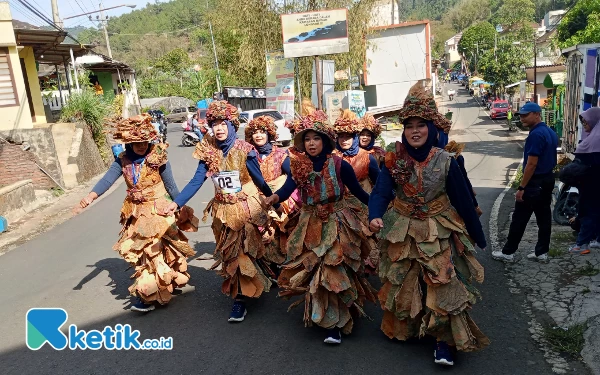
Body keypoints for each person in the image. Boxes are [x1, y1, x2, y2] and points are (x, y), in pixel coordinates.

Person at [368, 83, 489, 366]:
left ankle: (444, 341)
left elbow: (463, 201)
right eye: (409, 125)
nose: (414, 131)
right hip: (402, 230)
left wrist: (477, 236)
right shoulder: (393, 159)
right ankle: (408, 326)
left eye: (420, 124)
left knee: (442, 283)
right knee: (403, 281)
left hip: (439, 230)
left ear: (432, 127)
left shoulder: (447, 161)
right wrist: (374, 215)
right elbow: (382, 192)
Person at [263, 110, 375, 345]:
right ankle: (324, 314)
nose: (311, 143)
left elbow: (359, 192)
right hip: (310, 223)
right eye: (307, 139)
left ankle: (336, 321)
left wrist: (379, 209)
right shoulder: (299, 166)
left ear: (325, 140)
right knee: (315, 269)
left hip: (337, 221)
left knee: (334, 269)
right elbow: (288, 187)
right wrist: (275, 198)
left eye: (316, 138)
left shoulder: (340, 165)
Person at [161, 100, 274, 322]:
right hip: (222, 210)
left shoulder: (246, 150)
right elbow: (196, 180)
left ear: (232, 125)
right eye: (215, 124)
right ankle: (243, 293)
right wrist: (177, 203)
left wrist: (275, 200)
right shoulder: (208, 150)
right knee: (230, 253)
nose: (219, 128)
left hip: (244, 208)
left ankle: (242, 298)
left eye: (223, 123)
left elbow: (259, 179)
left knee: (245, 250)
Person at [79, 114, 198, 312]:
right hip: (135, 212)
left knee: (157, 249)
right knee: (145, 252)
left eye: (144, 141)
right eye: (136, 143)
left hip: (159, 209)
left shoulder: (158, 157)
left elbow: (171, 185)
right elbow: (107, 180)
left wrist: (180, 205)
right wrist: (90, 197)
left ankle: (150, 293)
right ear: (129, 144)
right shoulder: (122, 161)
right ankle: (156, 289)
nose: (141, 146)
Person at [492, 102, 558, 263]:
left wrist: (522, 187)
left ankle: (508, 253)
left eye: (525, 115)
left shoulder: (535, 135)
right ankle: (541, 252)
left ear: (537, 114)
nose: (522, 118)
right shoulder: (550, 132)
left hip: (535, 181)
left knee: (519, 218)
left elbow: (531, 164)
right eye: (520, 115)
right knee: (544, 218)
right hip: (548, 179)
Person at [244, 115, 301, 274]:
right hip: (256, 200)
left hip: (280, 198)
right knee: (261, 234)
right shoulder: (248, 155)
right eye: (255, 132)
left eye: (262, 131)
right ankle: (267, 269)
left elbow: (293, 175)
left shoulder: (280, 154)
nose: (258, 135)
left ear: (269, 133)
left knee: (282, 234)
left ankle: (284, 267)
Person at [333, 109, 380, 273]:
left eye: (348, 137)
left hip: (362, 200)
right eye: (341, 137)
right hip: (340, 205)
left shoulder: (367, 157)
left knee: (364, 237)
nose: (344, 140)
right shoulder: (332, 157)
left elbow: (379, 182)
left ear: (354, 137)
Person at [569, 108, 600, 254]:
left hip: (591, 184)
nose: (584, 123)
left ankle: (581, 245)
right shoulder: (594, 135)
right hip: (594, 183)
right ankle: (597, 240)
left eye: (586, 120)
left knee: (588, 212)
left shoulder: (594, 139)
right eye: (582, 121)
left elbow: (585, 162)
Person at [436, 130, 483, 216]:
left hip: (449, 209)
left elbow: (463, 184)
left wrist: (474, 205)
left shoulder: (452, 159)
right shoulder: (407, 160)